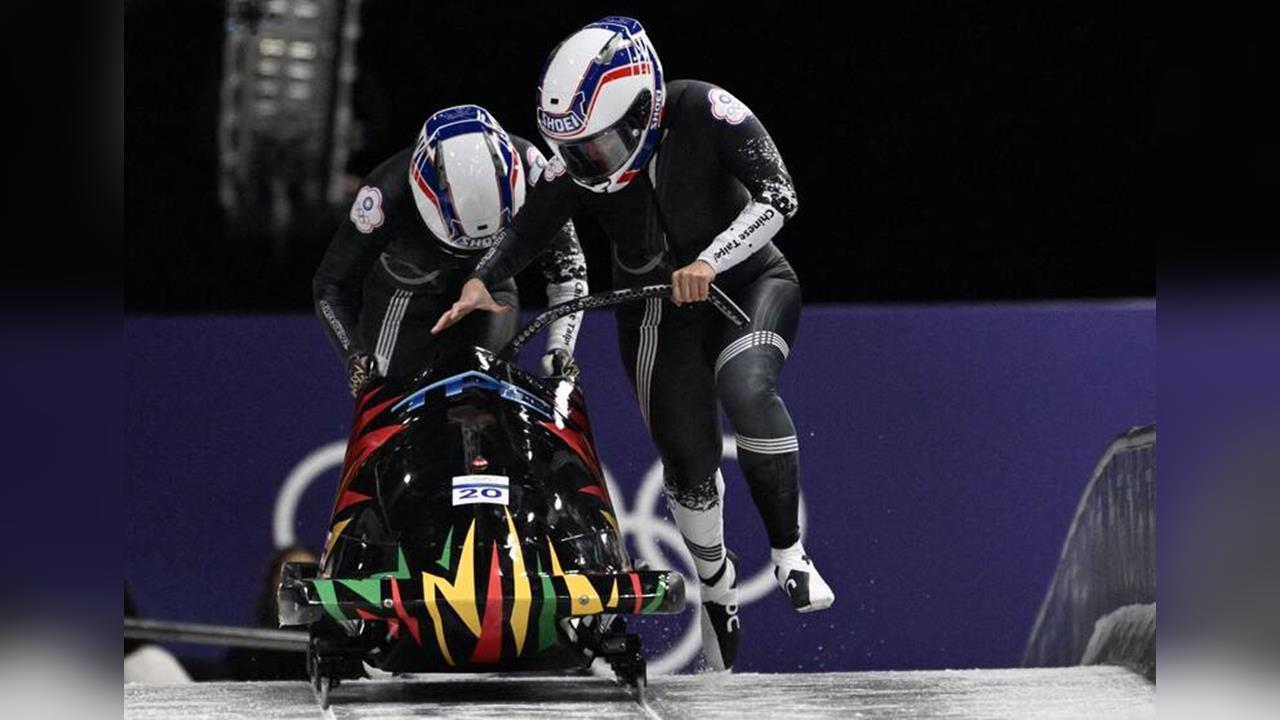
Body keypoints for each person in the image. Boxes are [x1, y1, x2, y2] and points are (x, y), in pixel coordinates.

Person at [431, 17, 834, 671]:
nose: (595, 162)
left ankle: (790, 555)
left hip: (749, 283)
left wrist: (710, 259)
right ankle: (716, 587)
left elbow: (779, 194)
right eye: (578, 150)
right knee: (688, 461)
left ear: (644, 106)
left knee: (745, 385)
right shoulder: (579, 167)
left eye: (603, 143)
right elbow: (531, 228)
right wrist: (482, 279)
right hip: (653, 313)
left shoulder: (707, 108)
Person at [313, 104, 587, 395]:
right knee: (391, 408)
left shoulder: (535, 170)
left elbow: (568, 268)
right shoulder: (383, 195)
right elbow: (331, 284)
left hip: (490, 292)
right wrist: (355, 357)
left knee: (490, 404)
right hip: (405, 300)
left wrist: (560, 348)